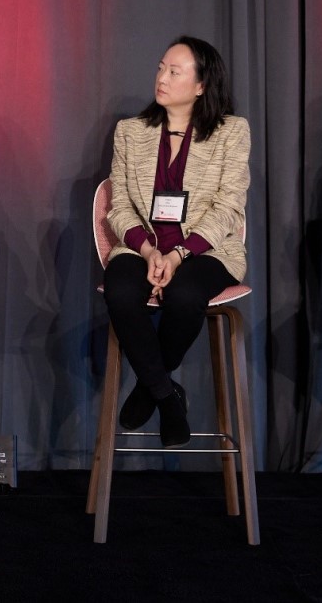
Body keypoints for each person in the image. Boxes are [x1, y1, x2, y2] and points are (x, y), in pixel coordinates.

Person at [103, 35, 251, 448]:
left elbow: (228, 207)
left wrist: (180, 254)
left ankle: (149, 387)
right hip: (142, 247)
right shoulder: (131, 132)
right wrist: (150, 251)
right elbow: (118, 208)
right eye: (160, 67)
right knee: (119, 290)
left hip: (205, 251)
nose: (161, 78)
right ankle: (168, 396)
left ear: (201, 85)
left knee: (186, 296)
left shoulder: (230, 132)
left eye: (174, 71)